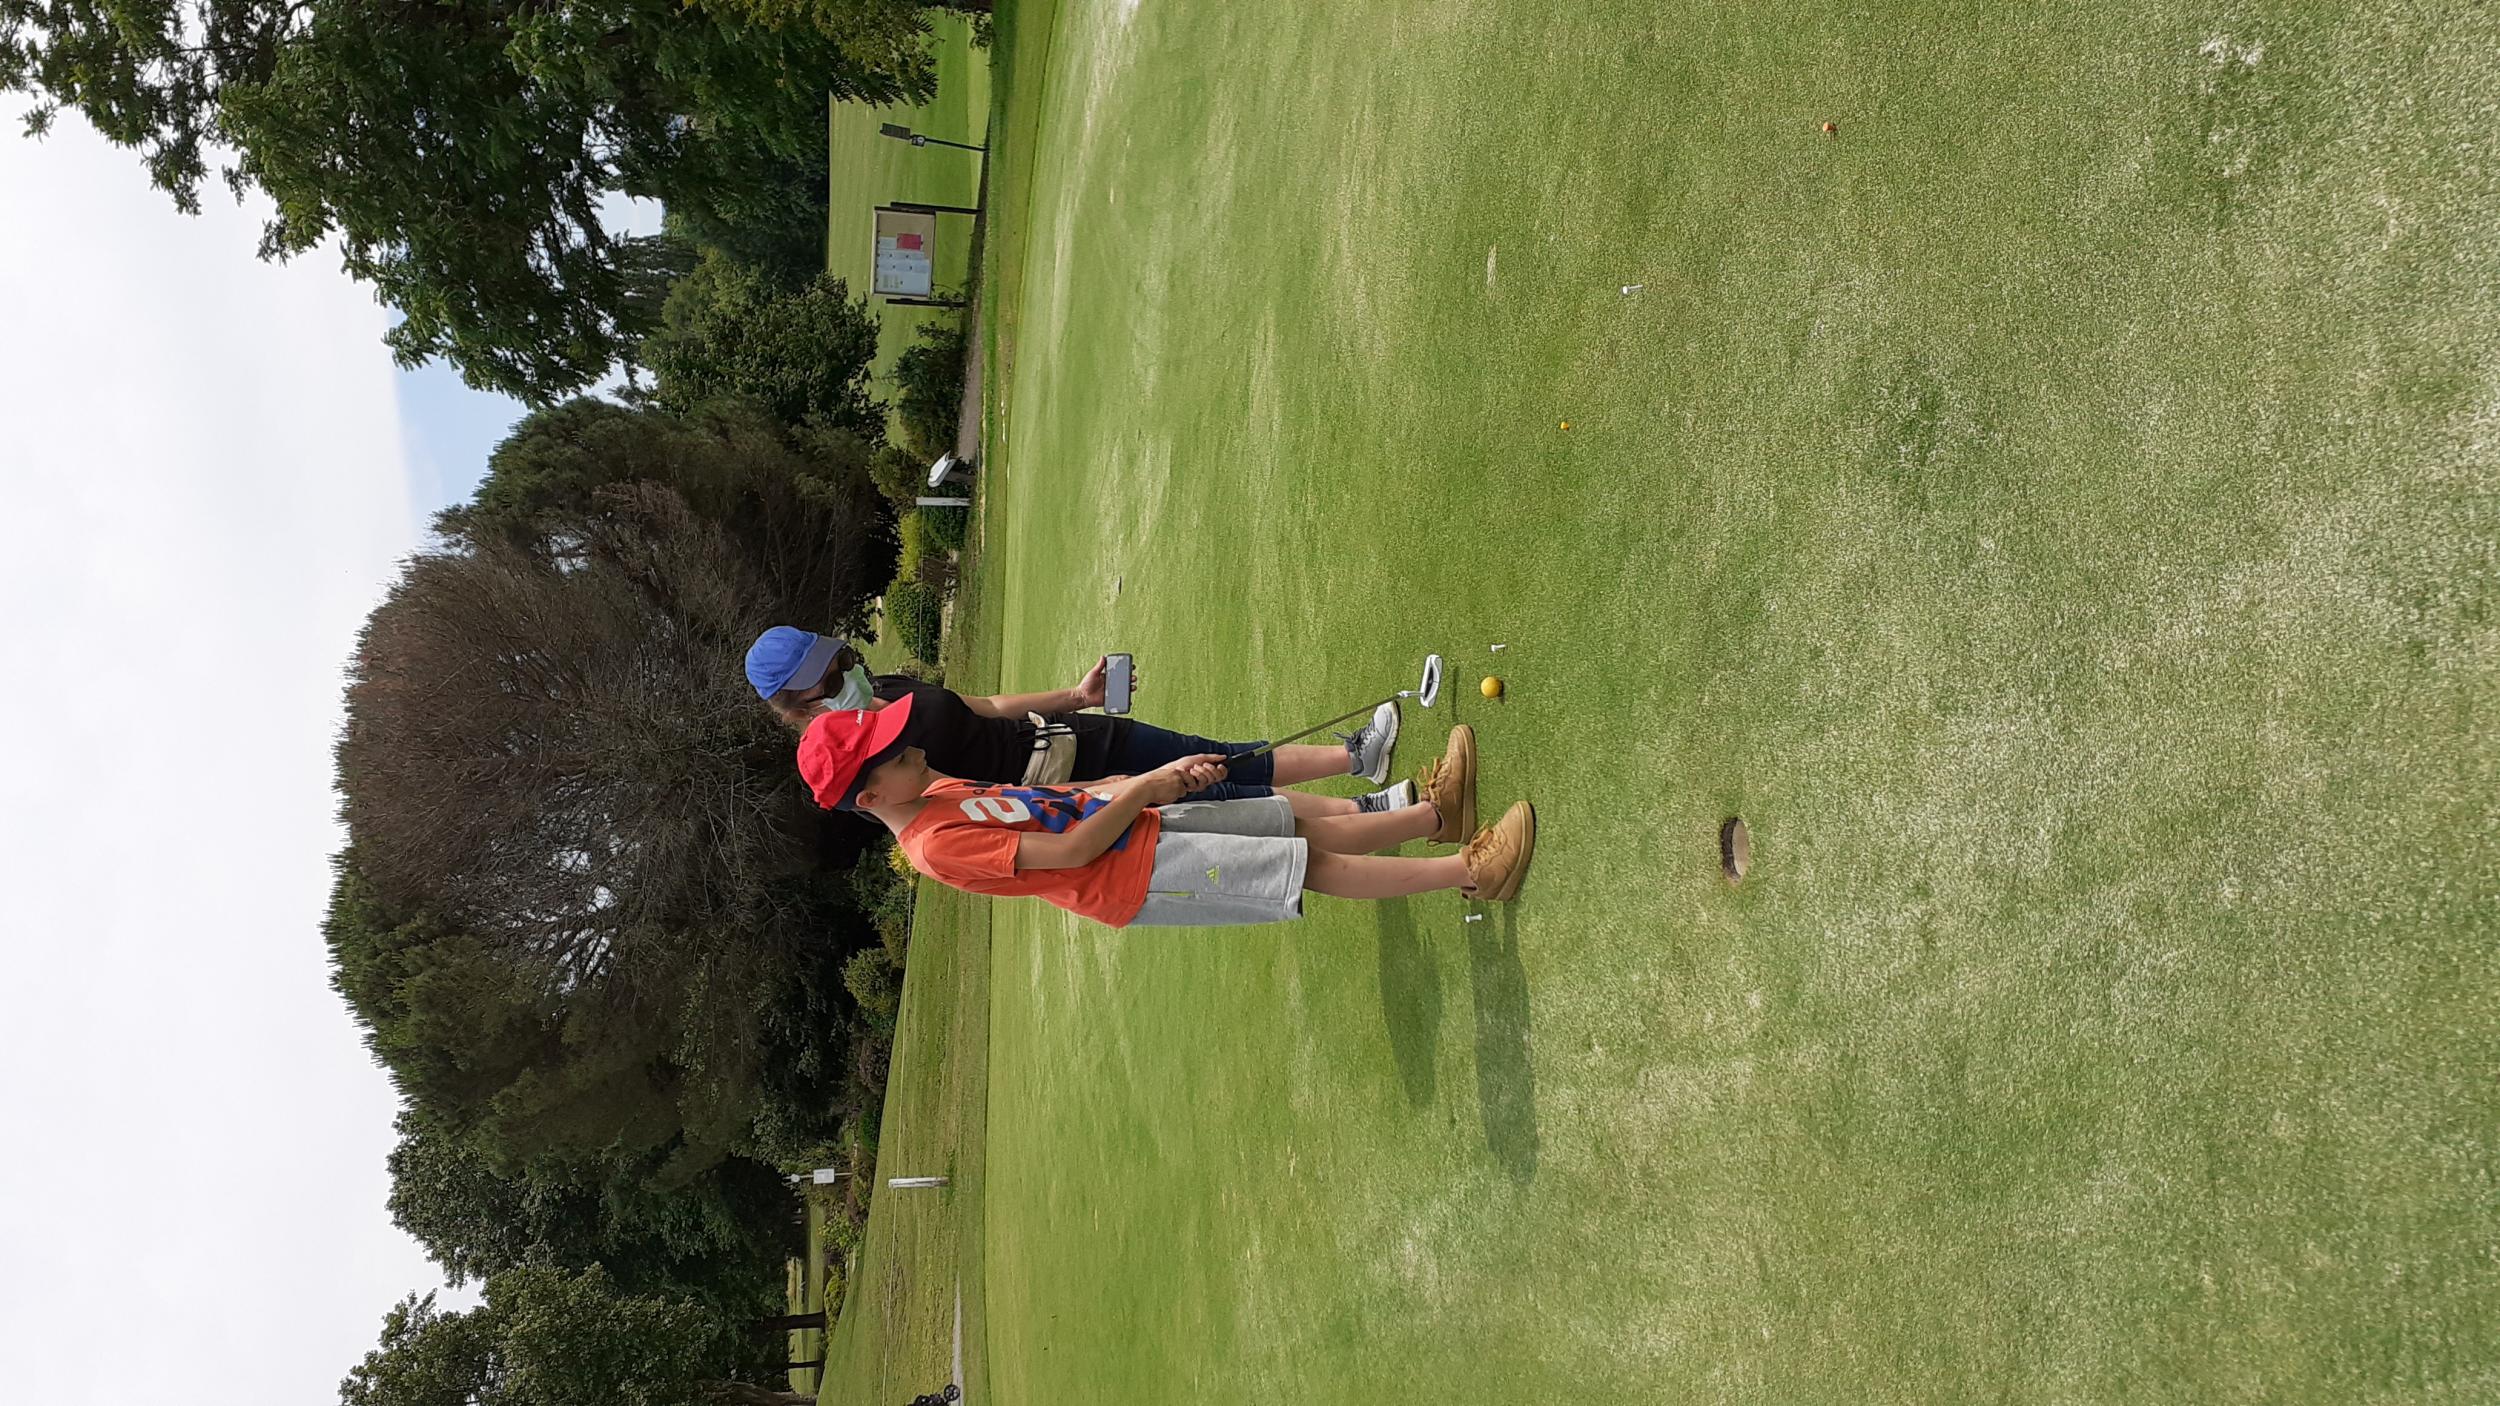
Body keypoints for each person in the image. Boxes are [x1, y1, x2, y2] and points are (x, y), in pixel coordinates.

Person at [794, 704, 1534, 927]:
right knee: (1309, 865)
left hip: (1139, 825)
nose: (914, 746)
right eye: (894, 753)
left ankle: (1432, 818)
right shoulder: (935, 846)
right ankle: (1469, 872)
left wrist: (1139, 782)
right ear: (870, 797)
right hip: (1139, 875)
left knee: (1293, 824)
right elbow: (1069, 854)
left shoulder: (936, 791)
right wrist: (1142, 791)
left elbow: (1059, 804)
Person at [746, 625, 1413, 814]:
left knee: (1217, 755)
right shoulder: (859, 774)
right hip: (1077, 792)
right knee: (1220, 797)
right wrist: (1102, 795)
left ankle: (1356, 758)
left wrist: (1076, 695)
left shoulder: (887, 688)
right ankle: (1368, 811)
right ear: (799, 708)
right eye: (828, 680)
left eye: (842, 660)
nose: (847, 674)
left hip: (1078, 736)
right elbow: (978, 805)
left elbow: (985, 708)